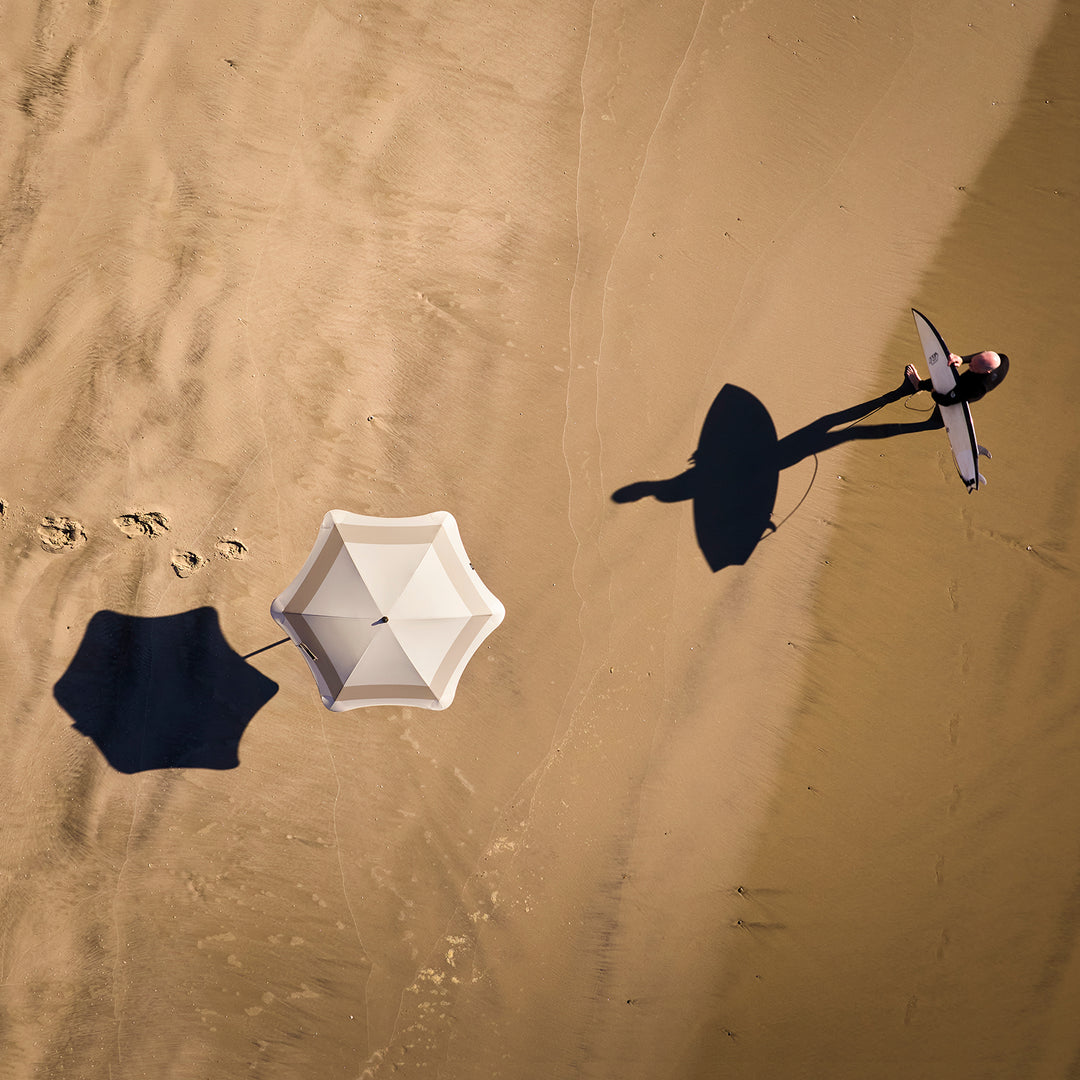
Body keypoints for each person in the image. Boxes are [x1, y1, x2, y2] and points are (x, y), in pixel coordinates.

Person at [905, 350, 1010, 406]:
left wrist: (934, 391)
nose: (970, 365)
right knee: (954, 379)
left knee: (949, 398)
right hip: (977, 374)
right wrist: (962, 359)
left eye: (973, 366)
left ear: (986, 371)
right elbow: (982, 356)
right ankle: (919, 385)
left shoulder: (978, 388)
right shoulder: (1001, 358)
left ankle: (919, 386)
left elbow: (945, 401)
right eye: (972, 361)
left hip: (972, 388)